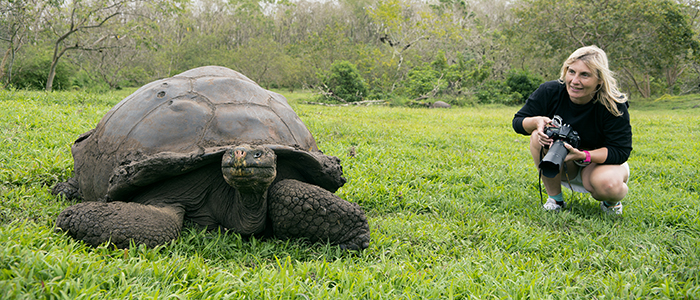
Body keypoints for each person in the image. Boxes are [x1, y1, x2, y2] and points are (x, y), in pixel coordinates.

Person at [512, 45, 632, 214]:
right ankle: (555, 200)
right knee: (536, 136)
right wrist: (536, 121)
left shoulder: (613, 104)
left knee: (609, 185)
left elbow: (621, 150)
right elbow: (518, 122)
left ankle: (611, 203)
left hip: (598, 163)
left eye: (585, 75)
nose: (575, 81)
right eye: (571, 71)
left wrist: (583, 155)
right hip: (562, 163)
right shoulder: (551, 91)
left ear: (600, 79)